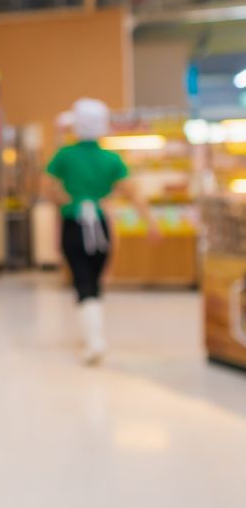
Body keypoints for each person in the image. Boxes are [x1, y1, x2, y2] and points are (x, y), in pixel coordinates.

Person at [42, 98, 158, 364]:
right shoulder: (111, 159)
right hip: (102, 224)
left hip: (73, 224)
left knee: (81, 278)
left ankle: (94, 338)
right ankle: (94, 335)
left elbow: (46, 187)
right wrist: (151, 222)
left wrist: (69, 201)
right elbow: (133, 194)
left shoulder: (64, 156)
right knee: (95, 278)